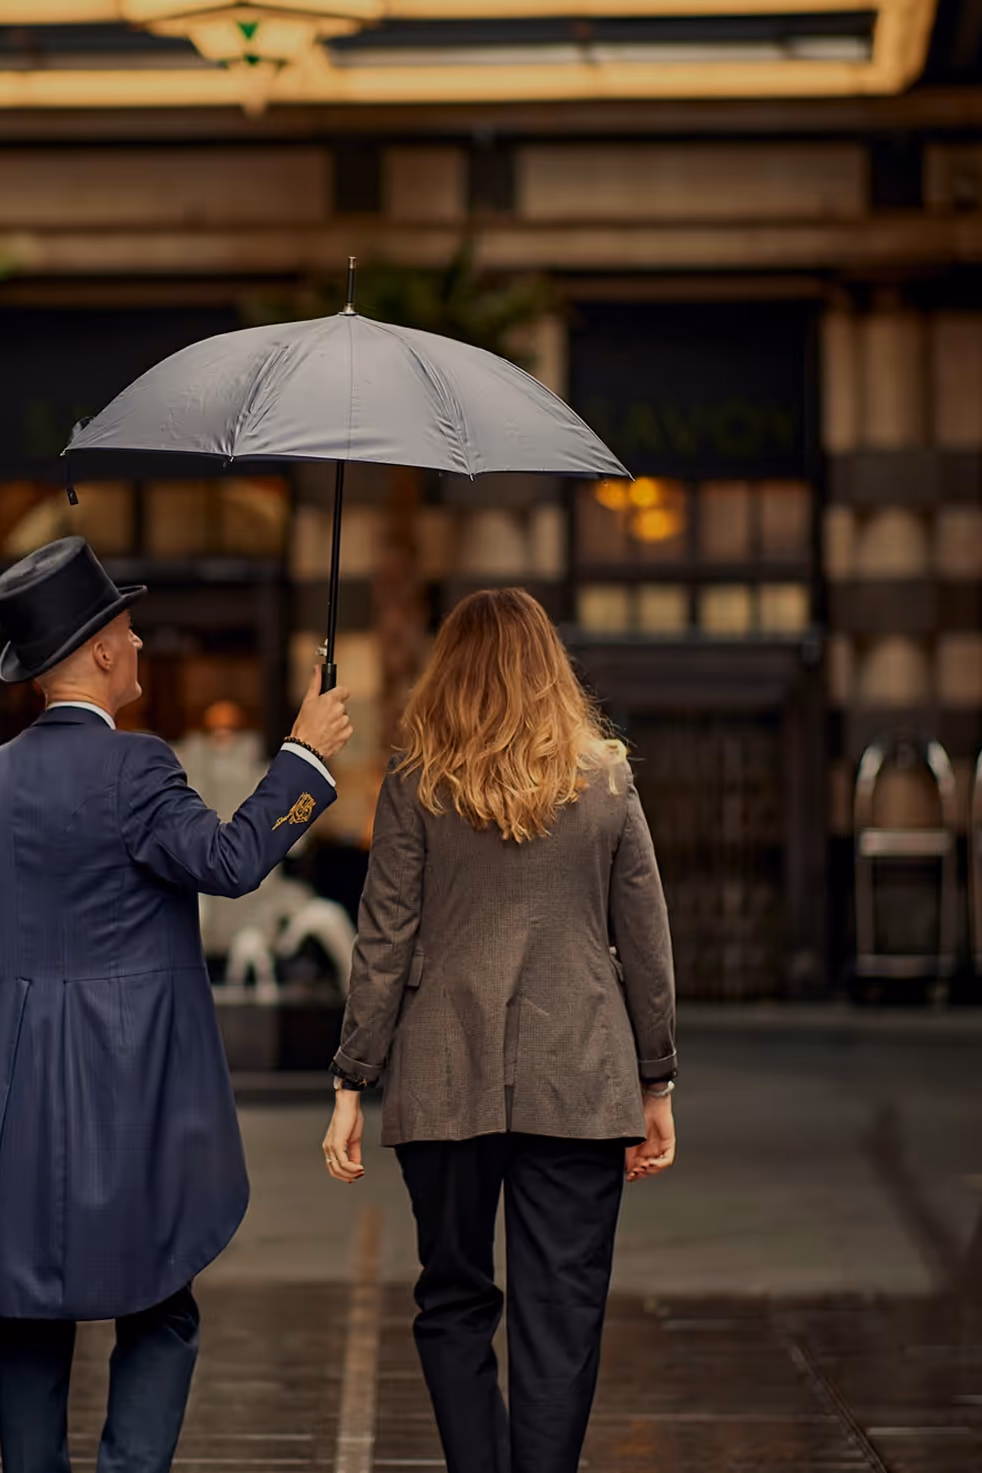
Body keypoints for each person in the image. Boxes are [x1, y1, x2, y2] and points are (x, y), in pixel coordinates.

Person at [0, 535, 352, 1473]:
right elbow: (232, 863)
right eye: (132, 628)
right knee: (159, 1302)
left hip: (8, 1092)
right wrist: (305, 758)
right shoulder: (139, 770)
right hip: (126, 1090)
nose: (143, 644)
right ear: (103, 648)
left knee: (27, 1319)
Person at [323, 587, 677, 1473]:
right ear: (549, 668)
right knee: (562, 1309)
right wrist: (657, 1079)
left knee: (451, 1297)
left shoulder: (415, 780)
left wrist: (351, 1081)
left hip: (445, 1076)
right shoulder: (606, 780)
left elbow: (384, 936)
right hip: (583, 1076)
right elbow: (646, 934)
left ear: (451, 673)